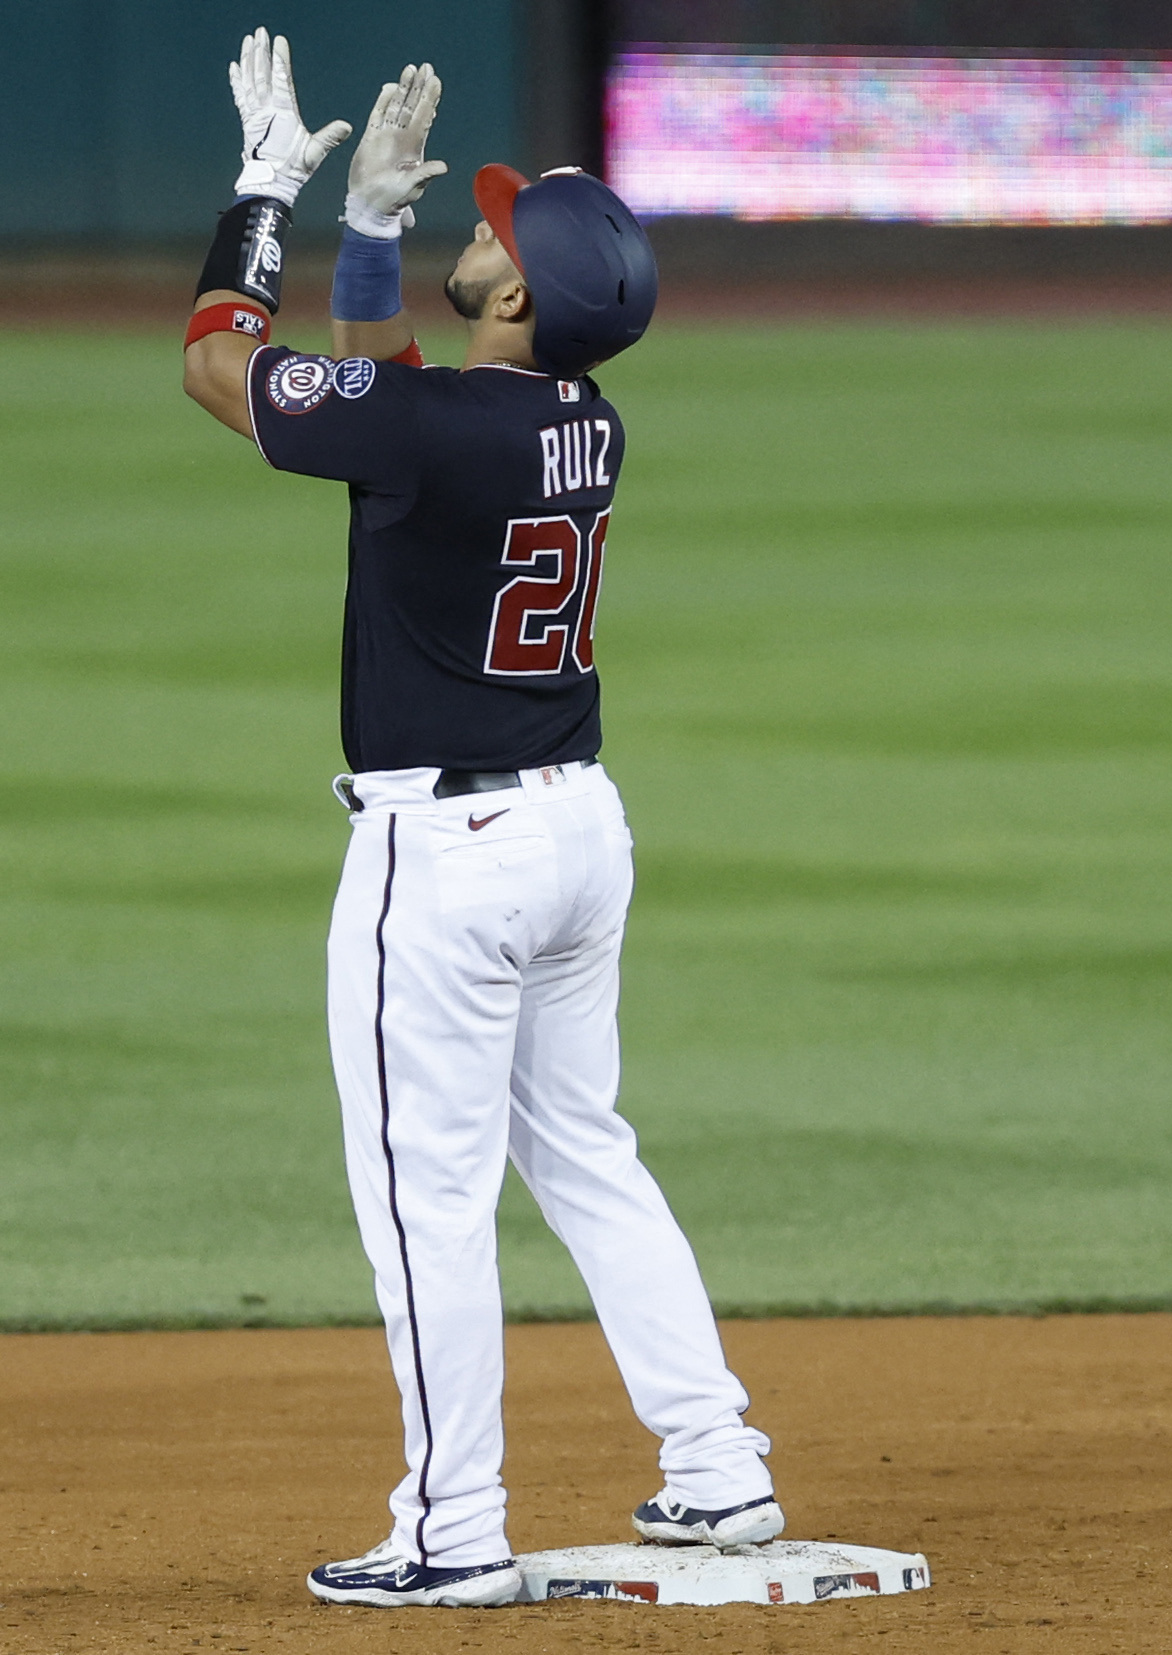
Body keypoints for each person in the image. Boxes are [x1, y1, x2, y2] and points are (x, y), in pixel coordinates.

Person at [181, 29, 782, 1609]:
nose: (484, 225)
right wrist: (371, 234)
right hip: (578, 834)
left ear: (517, 300)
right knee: (587, 1153)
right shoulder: (577, 423)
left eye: (498, 231)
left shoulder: (446, 432)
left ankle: (454, 1528)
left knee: (422, 1202)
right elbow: (384, 403)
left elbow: (219, 369)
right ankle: (717, 1467)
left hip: (444, 863)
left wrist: (267, 200)